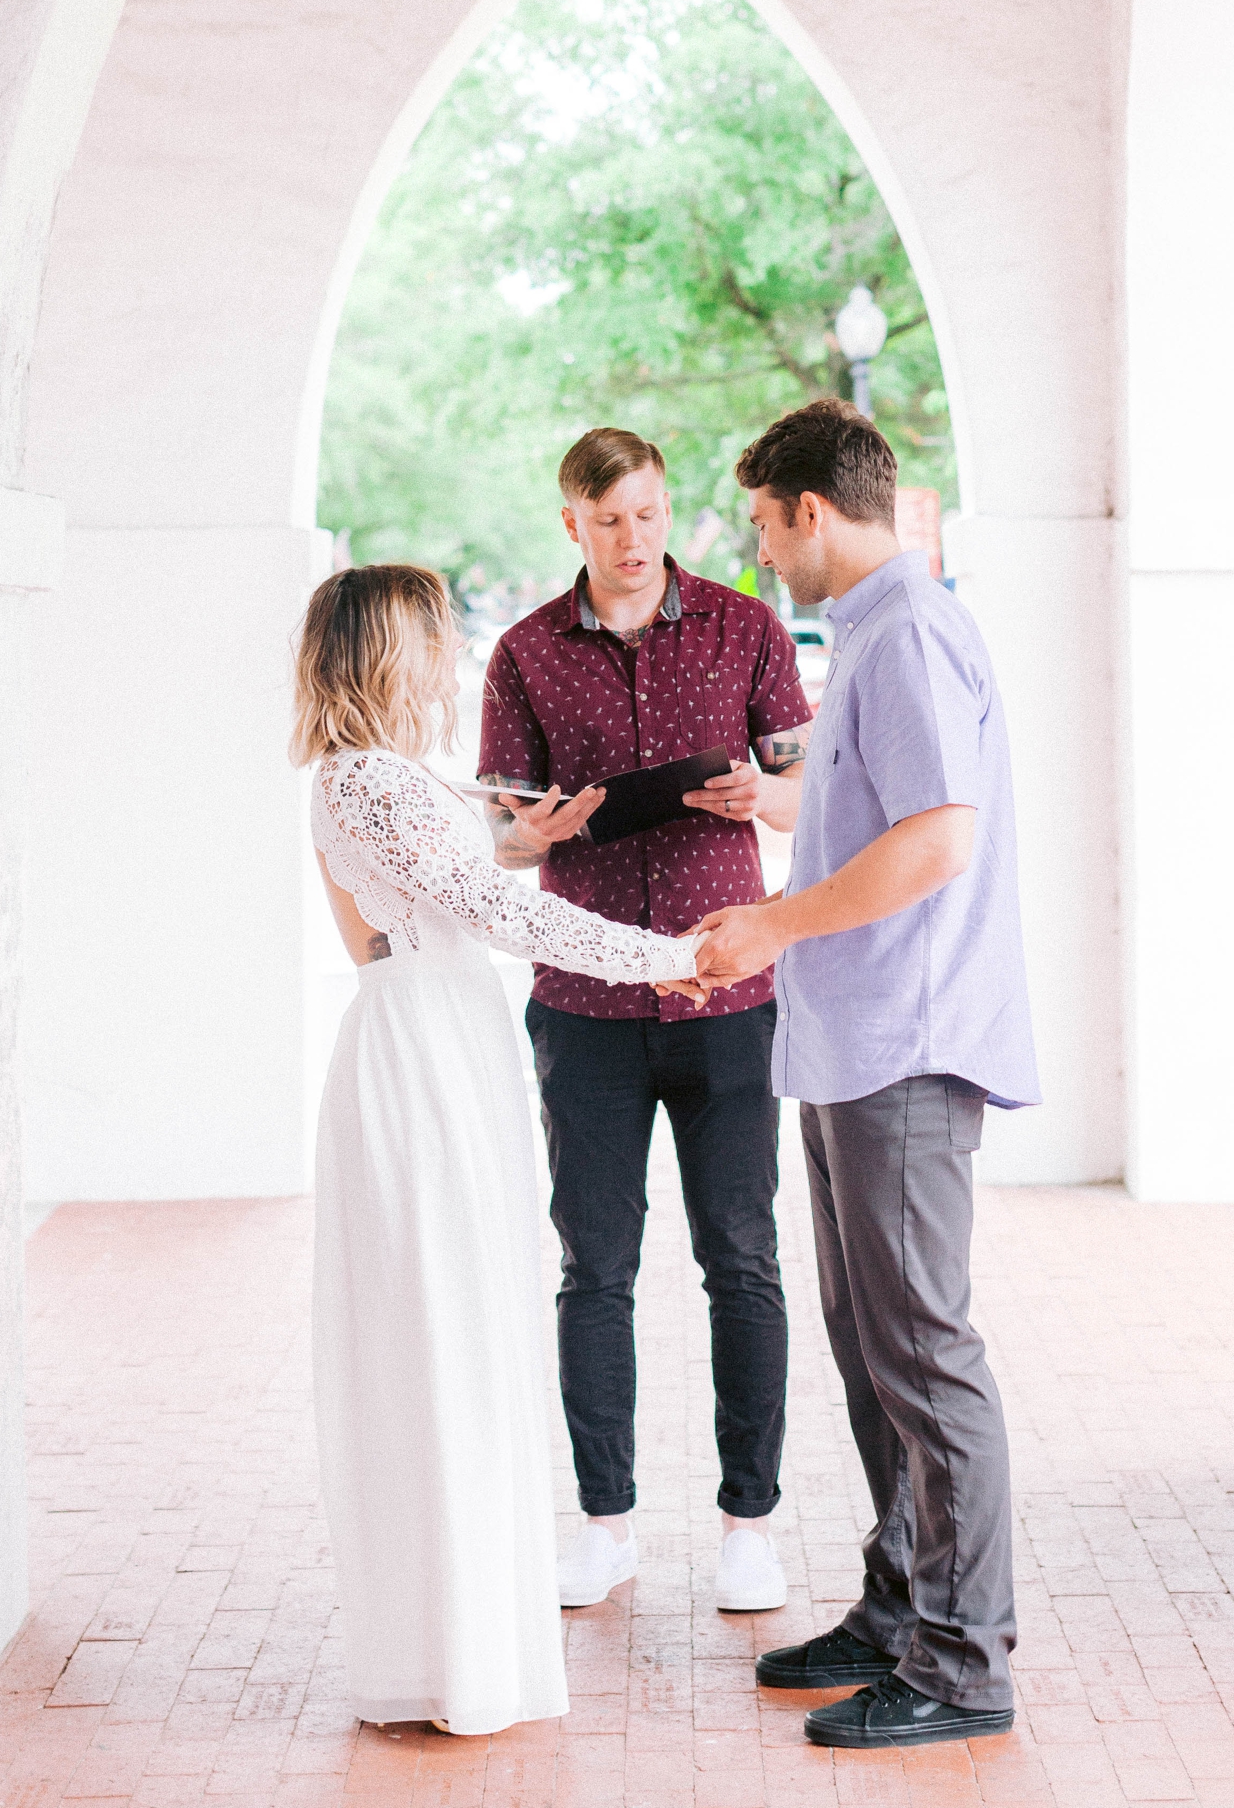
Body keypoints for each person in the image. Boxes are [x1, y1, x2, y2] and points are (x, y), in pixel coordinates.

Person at [294, 561, 709, 1740]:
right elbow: (504, 919)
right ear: (388, 653)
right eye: (431, 637)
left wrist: (501, 836)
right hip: (422, 1054)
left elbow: (447, 887)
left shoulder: (374, 779)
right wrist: (669, 955)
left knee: (457, 1329)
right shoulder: (370, 778)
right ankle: (458, 1656)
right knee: (447, 1332)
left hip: (432, 1037)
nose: (449, 657)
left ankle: (454, 1640)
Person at [692, 399, 1040, 1753]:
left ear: (809, 508)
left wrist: (772, 922)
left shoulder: (906, 630)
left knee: (925, 1352)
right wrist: (775, 816)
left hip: (906, 1043)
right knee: (872, 1347)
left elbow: (940, 837)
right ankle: (899, 1611)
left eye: (767, 525)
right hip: (851, 1046)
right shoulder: (878, 632)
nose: (766, 554)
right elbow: (876, 815)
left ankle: (962, 1663)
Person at [478, 427, 813, 1613]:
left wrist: (758, 794)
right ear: (570, 522)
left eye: (650, 513)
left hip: (727, 995)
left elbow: (804, 789)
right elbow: (502, 836)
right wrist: (540, 835)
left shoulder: (746, 629)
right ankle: (606, 1523)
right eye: (609, 519)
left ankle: (748, 1527)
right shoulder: (522, 654)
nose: (633, 540)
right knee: (595, 1271)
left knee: (742, 1260)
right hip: (584, 1007)